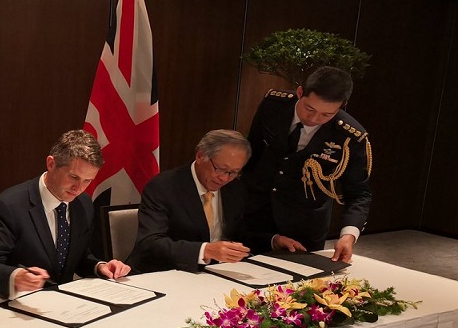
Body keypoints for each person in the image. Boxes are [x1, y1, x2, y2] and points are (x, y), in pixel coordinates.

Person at [0, 130, 131, 299]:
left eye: (87, 180)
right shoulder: (9, 206)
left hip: (60, 304)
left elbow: (77, 256)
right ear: (51, 164)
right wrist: (15, 277)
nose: (79, 188)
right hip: (12, 304)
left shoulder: (83, 204)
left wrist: (99, 266)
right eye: (73, 177)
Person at [243, 66, 372, 262]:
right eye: (309, 109)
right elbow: (252, 152)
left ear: (341, 106)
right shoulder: (273, 103)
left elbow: (358, 193)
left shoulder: (349, 136)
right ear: (300, 92)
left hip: (304, 226)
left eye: (326, 115)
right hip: (255, 213)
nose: (313, 119)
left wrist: (348, 235)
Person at [128, 129, 269, 273]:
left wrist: (273, 240)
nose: (225, 178)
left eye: (233, 172)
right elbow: (150, 243)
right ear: (200, 156)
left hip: (218, 272)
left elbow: (239, 234)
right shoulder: (163, 187)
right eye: (221, 169)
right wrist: (205, 250)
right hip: (166, 272)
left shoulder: (235, 188)